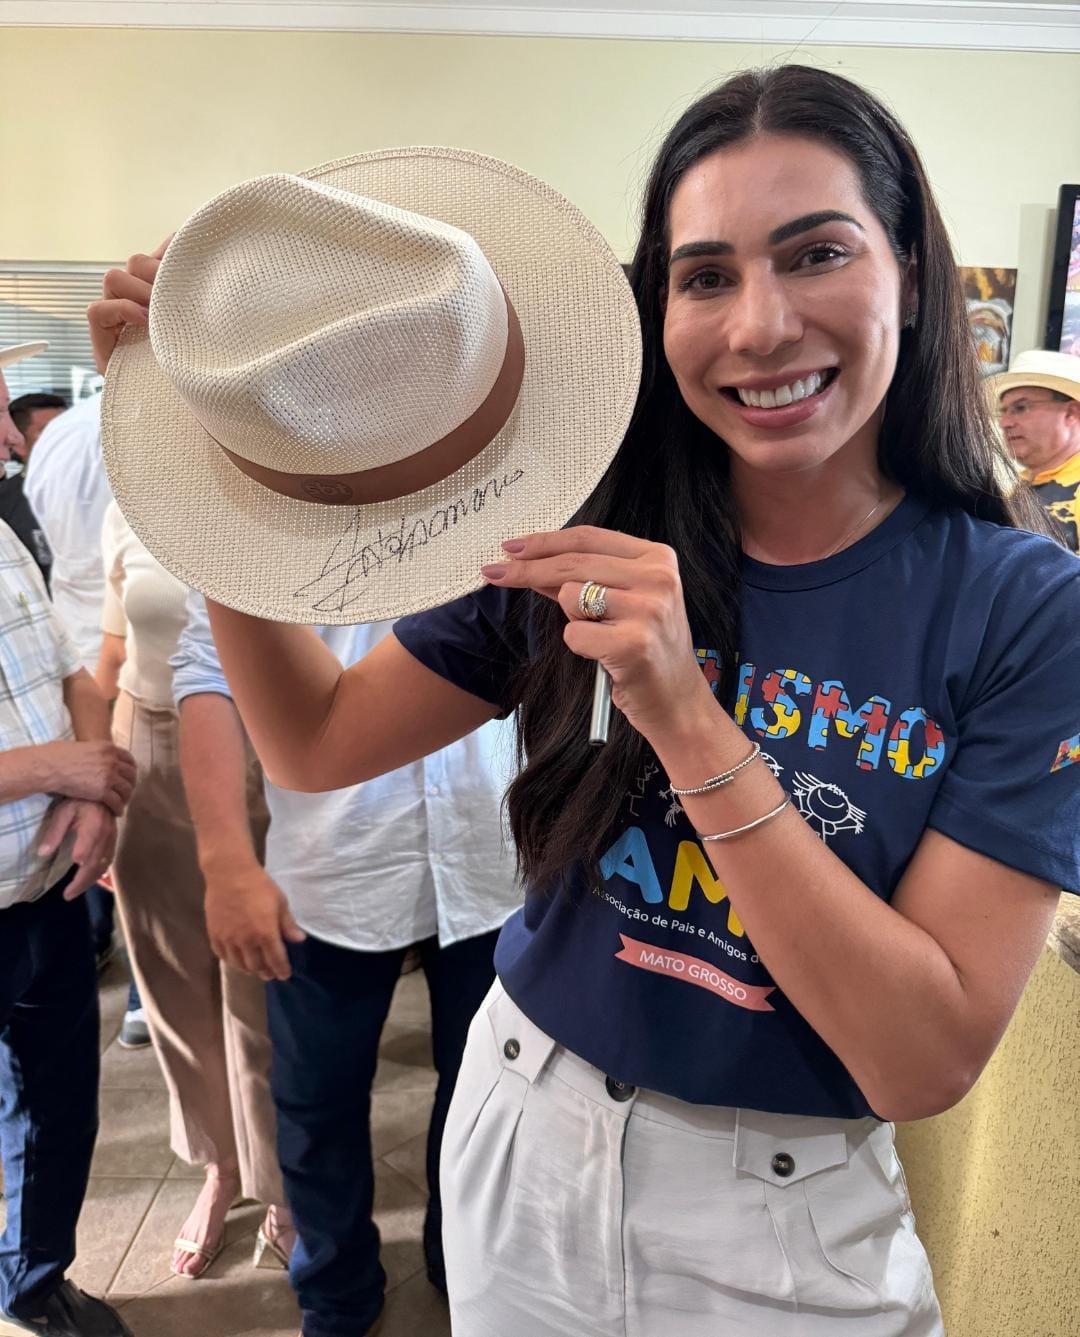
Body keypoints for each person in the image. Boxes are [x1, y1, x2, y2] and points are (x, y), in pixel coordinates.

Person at [90, 65, 1080, 1337]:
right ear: (657, 306)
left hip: (783, 1208)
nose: (760, 325)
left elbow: (920, 1057)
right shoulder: (583, 527)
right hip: (523, 1122)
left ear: (908, 266)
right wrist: (220, 469)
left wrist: (686, 711)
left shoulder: (1024, 604)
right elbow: (318, 739)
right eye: (706, 274)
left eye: (816, 252)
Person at [171, 594, 519, 1335]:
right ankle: (334, 1292)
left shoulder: (510, 486)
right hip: (332, 863)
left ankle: (464, 1258)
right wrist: (225, 858)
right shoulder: (270, 525)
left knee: (485, 1091)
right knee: (315, 1101)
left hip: (493, 850)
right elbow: (208, 671)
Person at [92, 500, 292, 1280]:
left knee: (260, 981)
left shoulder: (279, 496)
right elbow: (113, 643)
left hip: (255, 737)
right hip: (142, 738)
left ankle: (279, 1183)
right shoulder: (129, 502)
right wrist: (101, 788)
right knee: (169, 977)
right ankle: (220, 1168)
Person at [0, 343, 137, 1337]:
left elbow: (72, 669)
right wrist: (61, 771)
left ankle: (35, 1278)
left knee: (55, 1104)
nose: (10, 433)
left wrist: (93, 779)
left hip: (45, 877)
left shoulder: (7, 528)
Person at [23, 394, 146, 1039]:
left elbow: (77, 650)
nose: (16, 442)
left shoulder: (59, 441)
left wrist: (87, 768)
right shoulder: (144, 437)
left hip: (93, 677)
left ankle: (133, 986)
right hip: (126, 678)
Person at [992, 348, 1080, 551]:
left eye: (1021, 408)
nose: (1005, 423)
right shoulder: (1020, 487)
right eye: (1003, 411)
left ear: (1071, 413)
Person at [0, 384, 56, 584]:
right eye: (48, 432)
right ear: (22, 444)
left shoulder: (94, 496)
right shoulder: (4, 502)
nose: (63, 440)